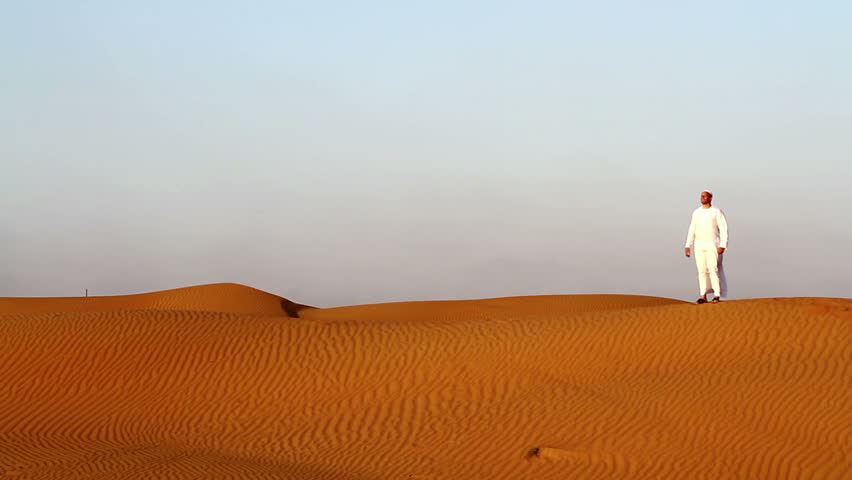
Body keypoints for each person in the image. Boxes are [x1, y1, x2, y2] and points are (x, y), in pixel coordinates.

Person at [684, 190, 729, 304]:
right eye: (701, 196)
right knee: (701, 270)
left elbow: (723, 229)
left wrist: (723, 245)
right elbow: (692, 229)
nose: (702, 197)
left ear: (710, 198)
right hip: (699, 245)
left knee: (713, 269)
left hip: (713, 244)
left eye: (705, 196)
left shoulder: (716, 212)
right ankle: (702, 296)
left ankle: (717, 295)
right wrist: (688, 245)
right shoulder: (696, 212)